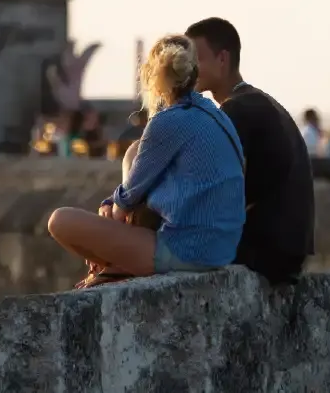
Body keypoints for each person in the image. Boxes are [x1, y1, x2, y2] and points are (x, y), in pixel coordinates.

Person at [47, 34, 246, 279]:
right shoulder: (216, 114)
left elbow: (125, 203)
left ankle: (110, 268)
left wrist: (109, 207)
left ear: (154, 77)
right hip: (222, 249)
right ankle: (115, 266)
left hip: (187, 252)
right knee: (133, 151)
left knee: (60, 221)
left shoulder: (167, 121)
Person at [185, 17, 314, 285]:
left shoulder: (237, 110)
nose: (188, 69)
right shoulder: (263, 102)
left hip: (265, 251)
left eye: (196, 59)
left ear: (223, 59)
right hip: (289, 250)